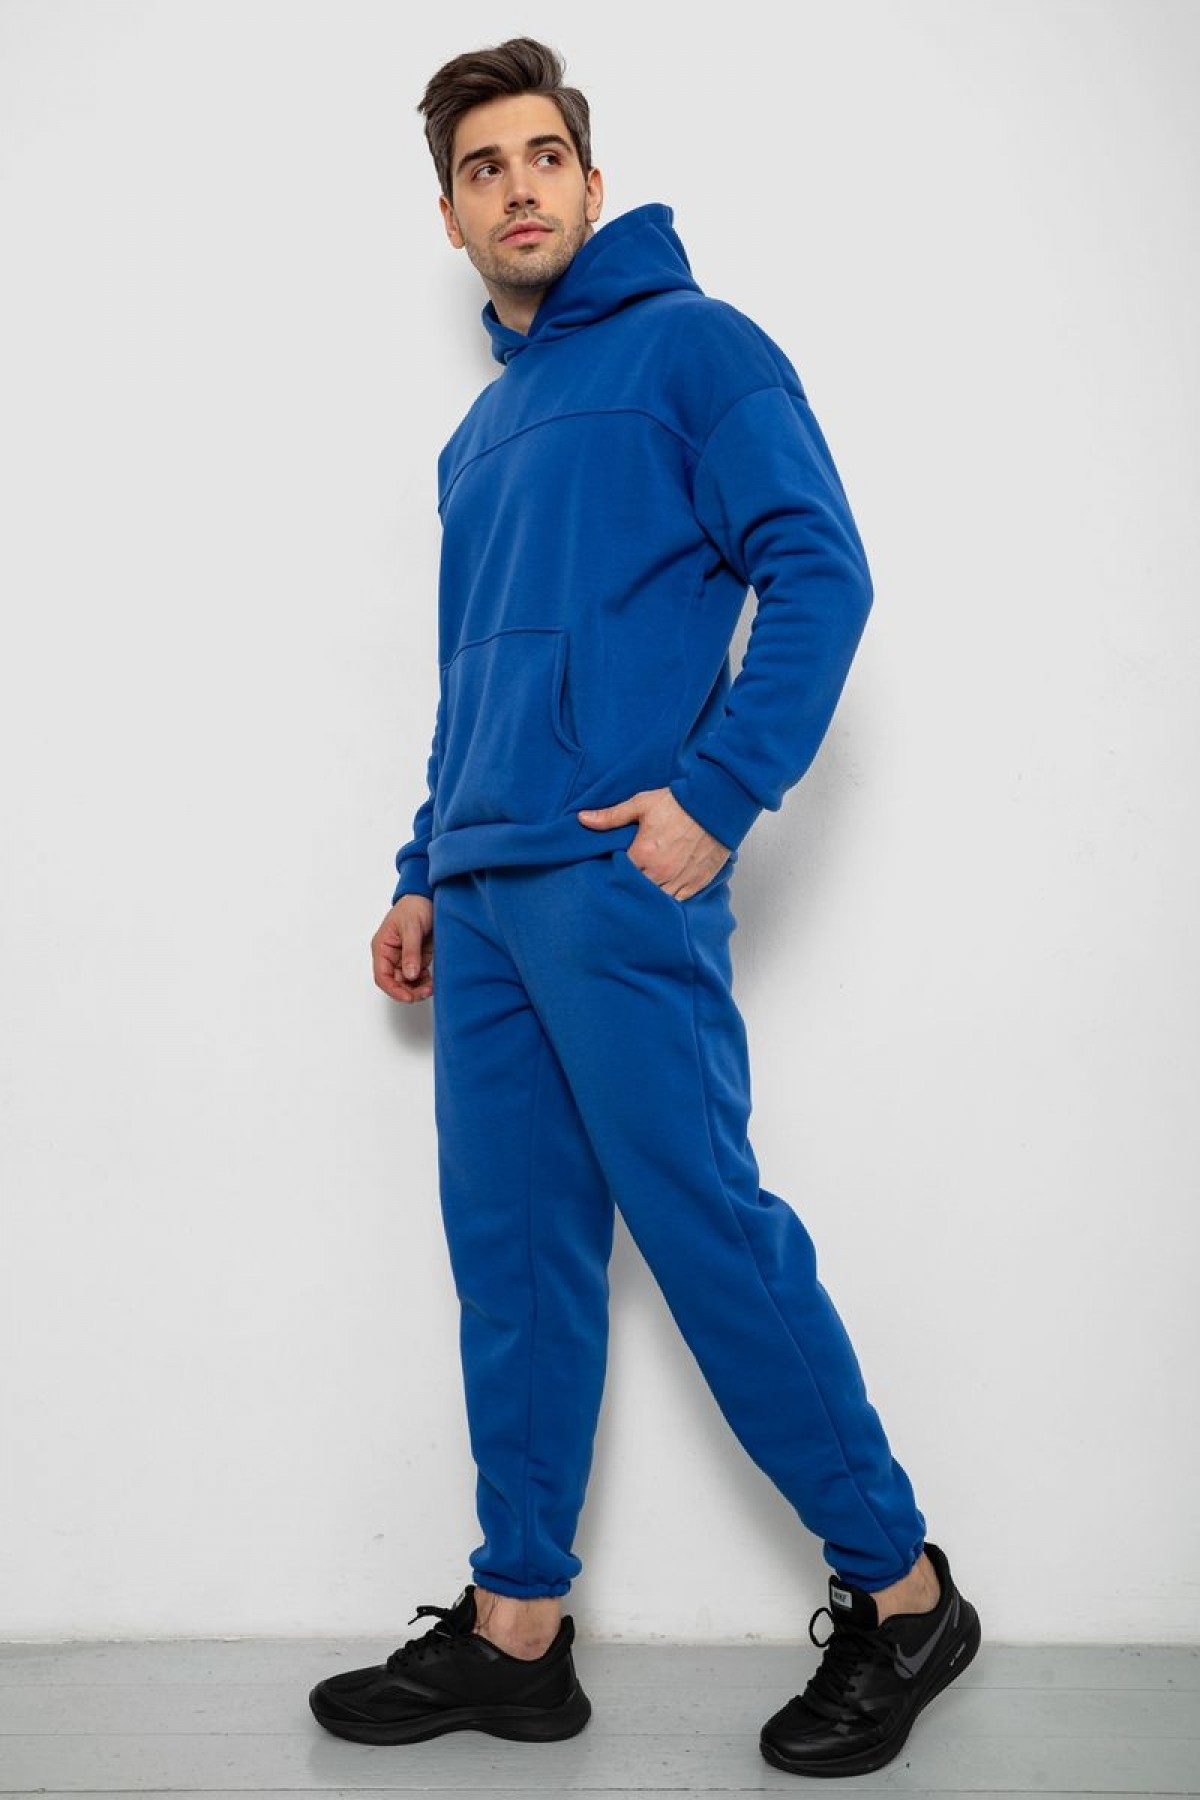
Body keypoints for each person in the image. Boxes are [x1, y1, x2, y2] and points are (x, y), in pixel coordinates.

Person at [309, 36, 981, 1778]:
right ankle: (518, 1633)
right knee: (516, 1265)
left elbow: (820, 569)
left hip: (617, 883)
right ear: (451, 217)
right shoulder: (476, 437)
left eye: (544, 155)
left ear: (592, 184)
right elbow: (473, 677)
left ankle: (905, 1592)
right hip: (486, 896)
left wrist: (718, 794)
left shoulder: (700, 346)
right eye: (483, 168)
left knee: (707, 1237)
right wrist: (422, 867)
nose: (518, 186)